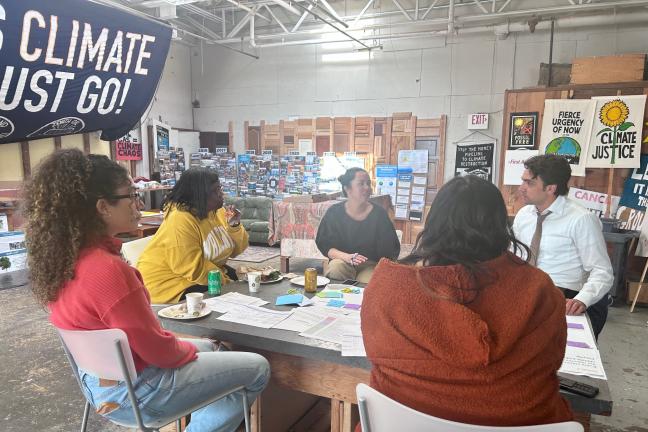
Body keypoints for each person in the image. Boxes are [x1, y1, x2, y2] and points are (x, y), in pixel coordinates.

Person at [23, 150, 269, 431]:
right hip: (139, 392)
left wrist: (194, 350)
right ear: (103, 207)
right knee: (257, 368)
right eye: (130, 195)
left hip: (98, 382)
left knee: (215, 348)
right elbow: (159, 351)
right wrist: (186, 351)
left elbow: (148, 342)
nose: (138, 204)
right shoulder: (108, 271)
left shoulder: (64, 260)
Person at [361, 175, 572, 426]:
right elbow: (552, 362)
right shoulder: (540, 289)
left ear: (434, 222)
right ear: (500, 224)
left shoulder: (389, 286)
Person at [513, 154, 613, 339]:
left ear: (550, 188)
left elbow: (602, 271)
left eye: (529, 183)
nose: (522, 188)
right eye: (523, 181)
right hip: (528, 294)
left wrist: (582, 299)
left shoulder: (581, 219)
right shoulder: (524, 215)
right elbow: (515, 257)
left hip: (565, 297)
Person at [138, 168, 248, 304]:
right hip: (170, 284)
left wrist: (234, 226)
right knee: (230, 299)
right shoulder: (180, 219)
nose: (221, 194)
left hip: (200, 275)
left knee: (240, 287)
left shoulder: (217, 211)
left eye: (220, 188)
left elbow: (236, 251)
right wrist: (228, 283)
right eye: (215, 190)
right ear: (200, 195)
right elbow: (192, 268)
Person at [315, 167, 400, 283]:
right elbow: (325, 244)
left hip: (370, 265)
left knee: (370, 282)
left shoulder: (379, 214)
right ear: (347, 189)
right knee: (335, 269)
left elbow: (391, 251)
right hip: (342, 260)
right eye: (361, 184)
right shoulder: (334, 213)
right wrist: (347, 257)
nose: (367, 188)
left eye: (368, 183)